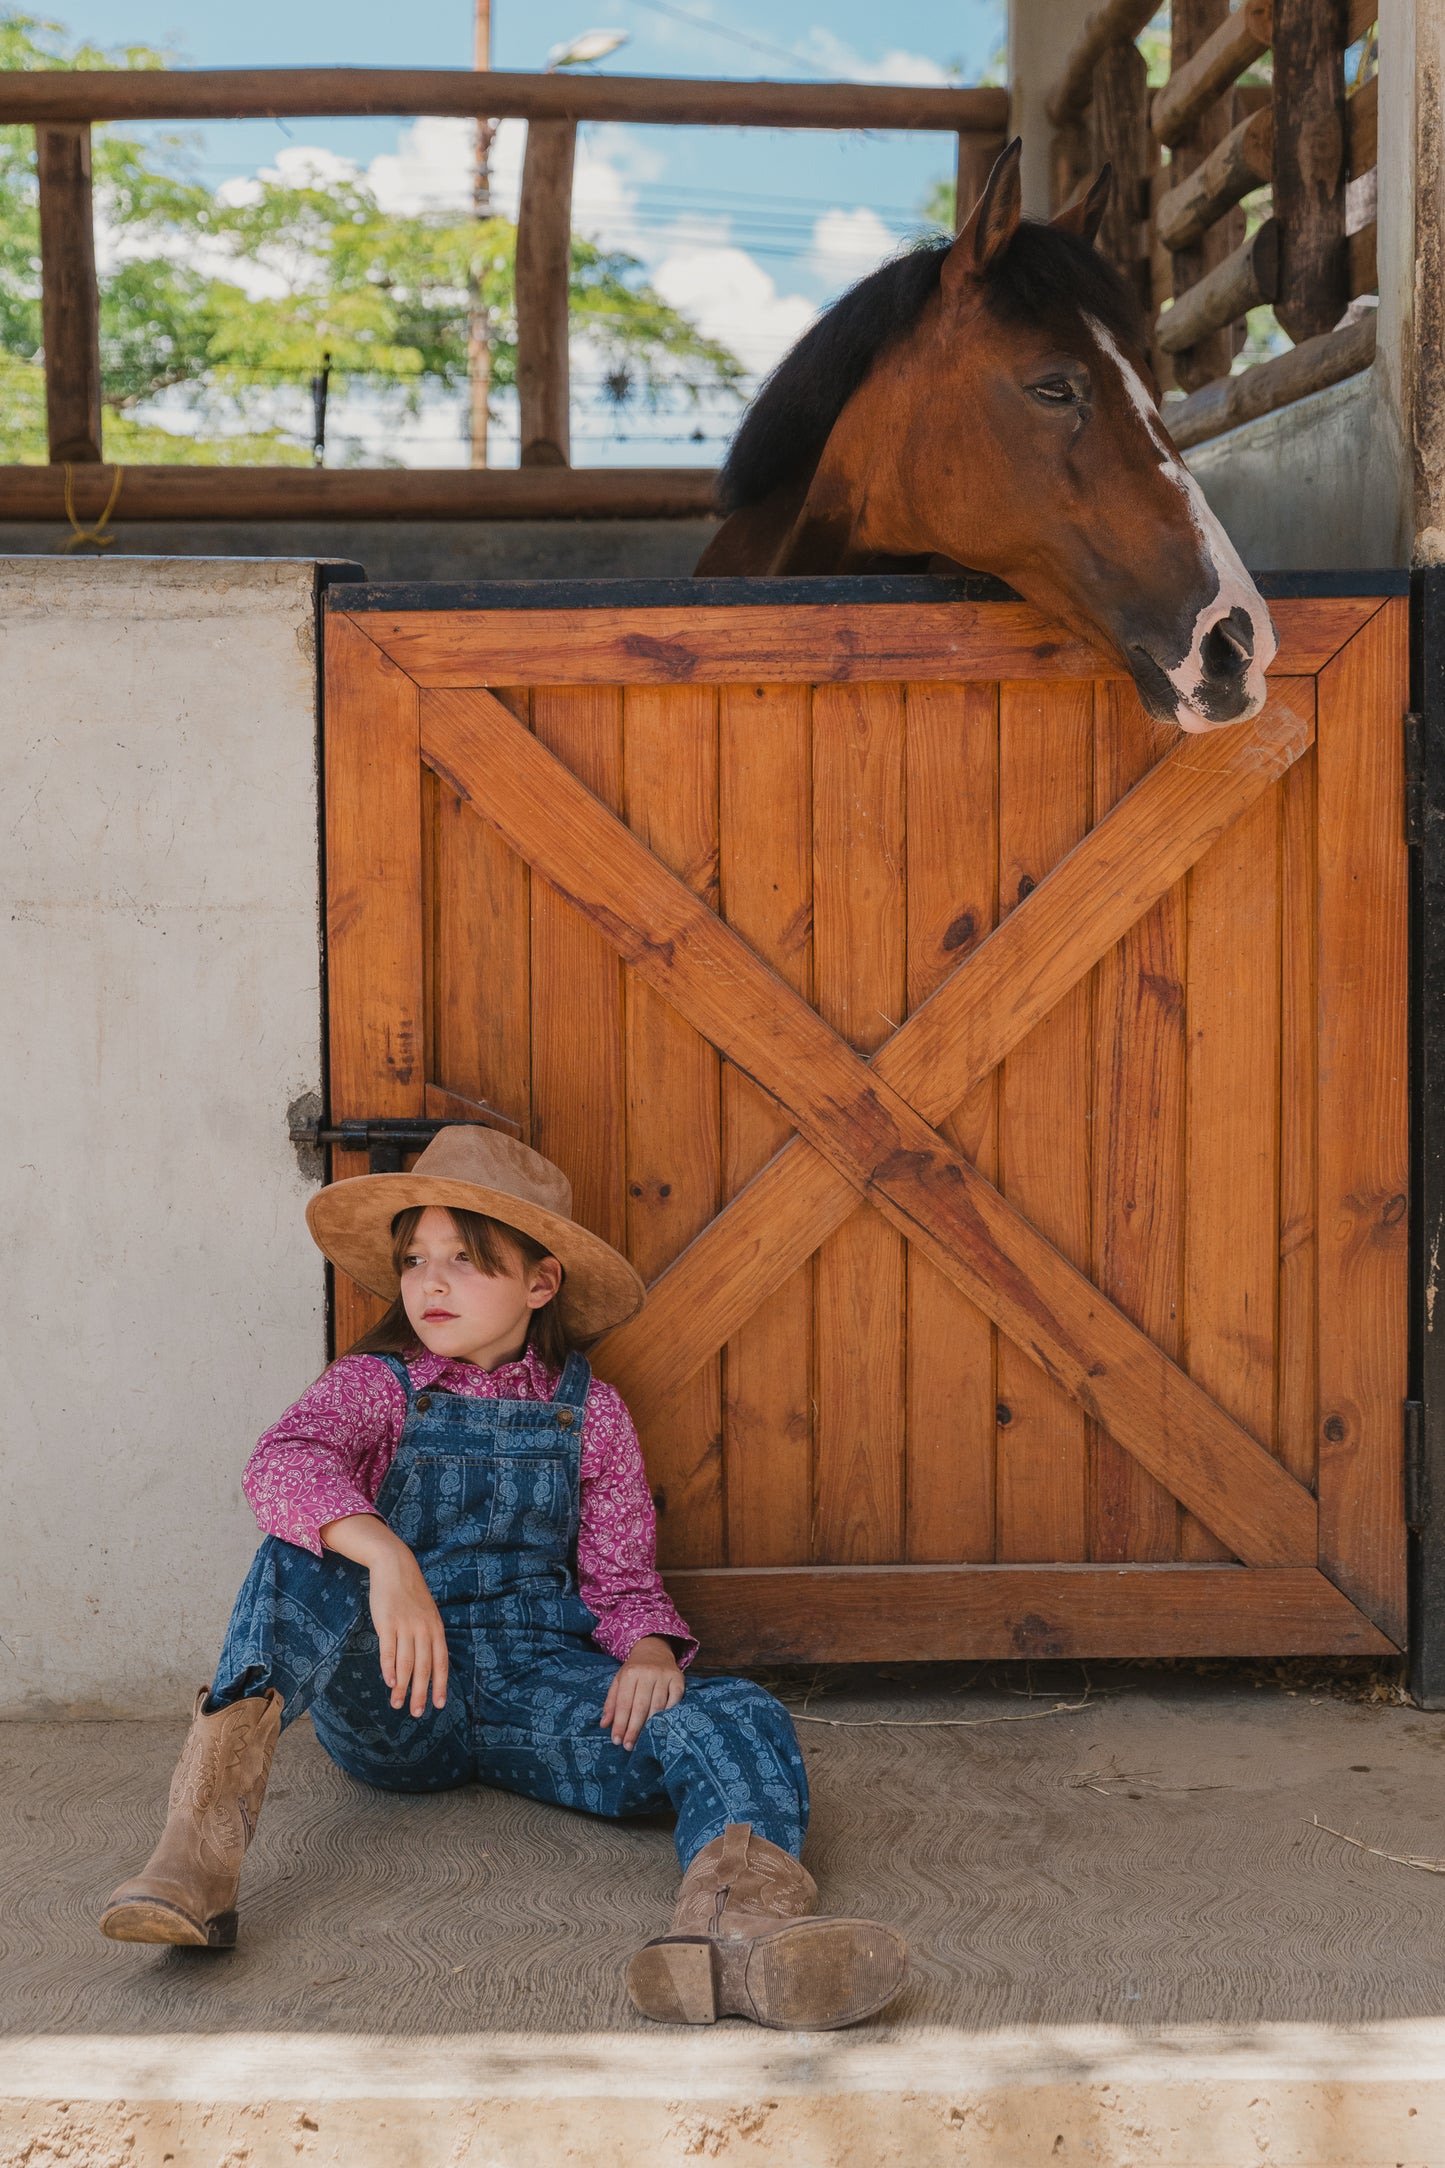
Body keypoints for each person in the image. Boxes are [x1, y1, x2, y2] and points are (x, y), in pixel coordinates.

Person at [99, 1126, 908, 2029]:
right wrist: (387, 1558)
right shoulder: (377, 1384)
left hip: (538, 1696)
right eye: (415, 1260)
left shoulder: (591, 1412)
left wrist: (646, 1648)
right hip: (399, 1700)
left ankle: (734, 1940)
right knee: (297, 1549)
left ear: (540, 1281)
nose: (430, 1284)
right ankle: (194, 1860)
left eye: (464, 1260)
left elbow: (621, 1575)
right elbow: (281, 1464)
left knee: (736, 1712)